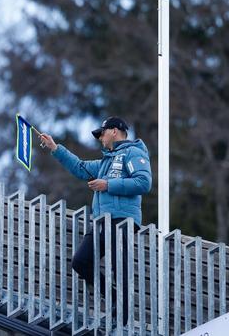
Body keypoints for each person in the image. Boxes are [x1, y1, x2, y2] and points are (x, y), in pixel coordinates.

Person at [39, 117, 152, 325]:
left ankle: (122, 320)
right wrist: (55, 148)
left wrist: (107, 184)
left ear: (115, 131)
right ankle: (114, 300)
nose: (100, 137)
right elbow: (80, 167)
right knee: (81, 262)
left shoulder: (133, 152)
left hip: (122, 220)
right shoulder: (105, 162)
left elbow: (144, 182)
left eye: (102, 132)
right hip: (102, 221)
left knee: (121, 269)